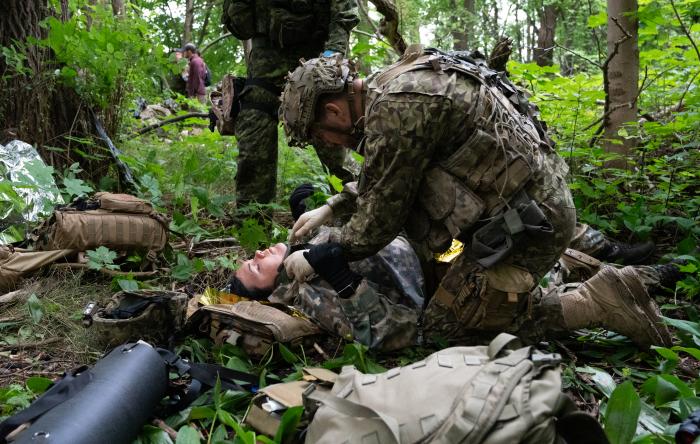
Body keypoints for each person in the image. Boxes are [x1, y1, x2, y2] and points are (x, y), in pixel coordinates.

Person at [277, 47, 672, 347]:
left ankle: (596, 302)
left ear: (334, 111)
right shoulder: (396, 84)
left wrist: (319, 255)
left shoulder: (396, 112)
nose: (324, 142)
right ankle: (631, 274)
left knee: (443, 330)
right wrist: (331, 207)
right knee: (453, 276)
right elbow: (388, 175)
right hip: (529, 209)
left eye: (318, 134)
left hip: (527, 226)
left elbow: (377, 225)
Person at [220, 0, 360, 205]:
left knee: (335, 148)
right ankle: (251, 226)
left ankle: (354, 215)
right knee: (253, 144)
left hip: (317, 61)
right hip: (265, 66)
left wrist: (331, 58)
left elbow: (345, 14)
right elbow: (242, 28)